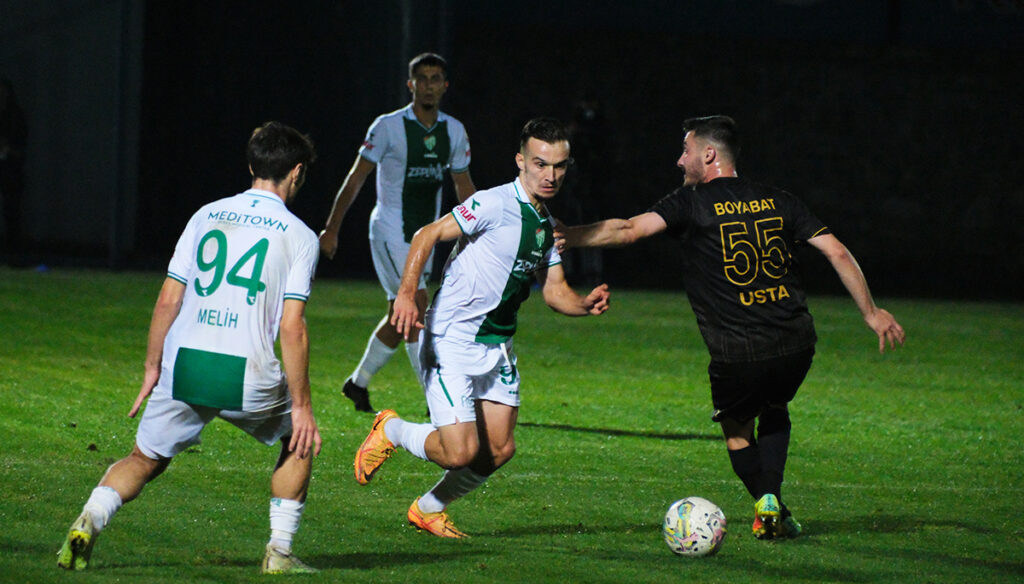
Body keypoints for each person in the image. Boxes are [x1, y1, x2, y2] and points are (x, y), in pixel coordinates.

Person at [557, 115, 905, 540]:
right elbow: (837, 252)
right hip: (796, 341)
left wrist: (570, 235)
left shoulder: (690, 203)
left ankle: (767, 500)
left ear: (708, 154)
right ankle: (775, 508)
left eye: (685, 150)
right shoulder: (779, 199)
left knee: (738, 432)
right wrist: (871, 313)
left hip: (737, 351)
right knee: (775, 407)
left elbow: (629, 230)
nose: (679, 160)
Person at [57, 122, 323, 573]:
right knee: (298, 442)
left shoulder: (206, 215)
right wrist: (302, 406)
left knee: (144, 458)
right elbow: (291, 326)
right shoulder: (299, 235)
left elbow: (169, 299)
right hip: (247, 371)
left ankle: (90, 518)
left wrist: (151, 367)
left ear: (252, 165)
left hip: (185, 365)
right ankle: (279, 552)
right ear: (296, 172)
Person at [353, 117, 610, 537]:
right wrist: (406, 293)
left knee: (499, 449)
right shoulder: (492, 203)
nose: (550, 175)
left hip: (498, 346)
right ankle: (392, 429)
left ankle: (429, 509)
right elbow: (426, 235)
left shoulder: (547, 227)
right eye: (540, 163)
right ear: (521, 161)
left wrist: (584, 304)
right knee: (459, 452)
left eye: (559, 166)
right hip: (451, 340)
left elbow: (554, 291)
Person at [319, 52, 476, 414]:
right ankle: (436, 400)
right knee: (417, 307)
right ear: (410, 85)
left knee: (400, 315)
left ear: (445, 86)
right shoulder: (387, 127)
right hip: (390, 231)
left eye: (435, 79)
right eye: (422, 79)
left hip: (426, 235)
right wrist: (332, 227)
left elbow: (463, 183)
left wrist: (478, 228)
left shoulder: (454, 131)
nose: (429, 86)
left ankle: (357, 384)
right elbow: (356, 178)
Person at [0, 76, 28, 266]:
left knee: (11, 211)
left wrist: (8, 149)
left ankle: (14, 255)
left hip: (10, 169)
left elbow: (21, 147)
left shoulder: (15, 116)